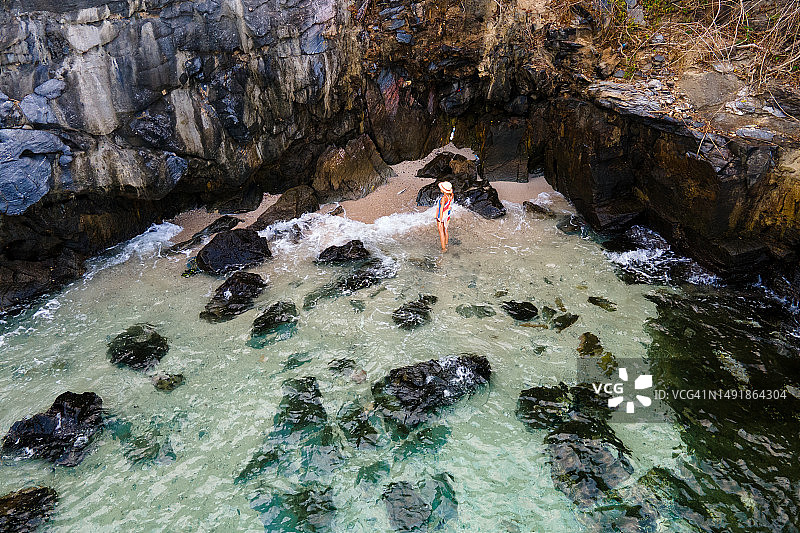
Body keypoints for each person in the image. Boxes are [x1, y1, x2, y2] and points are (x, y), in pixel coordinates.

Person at [435, 181, 454, 252]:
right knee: (445, 229)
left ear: (443, 190)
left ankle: (443, 248)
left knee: (441, 232)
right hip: (447, 214)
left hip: (442, 215)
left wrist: (439, 219)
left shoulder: (443, 198)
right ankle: (446, 243)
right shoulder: (450, 195)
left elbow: (441, 209)